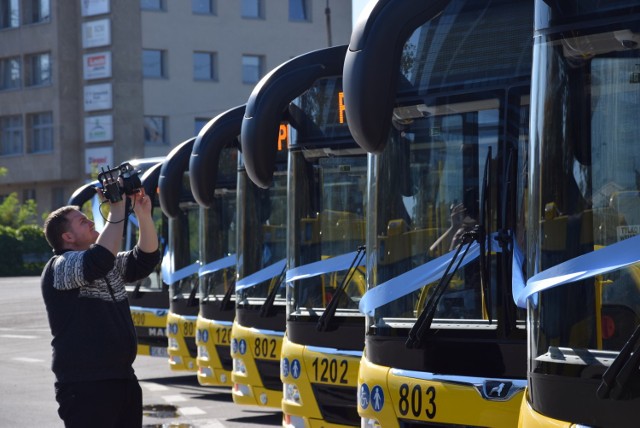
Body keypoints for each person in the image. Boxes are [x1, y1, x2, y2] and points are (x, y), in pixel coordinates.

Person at [40, 184, 160, 428]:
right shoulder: (60, 266)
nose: (91, 222)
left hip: (122, 378)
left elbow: (145, 259)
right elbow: (99, 260)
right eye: (82, 221)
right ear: (67, 237)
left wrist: (143, 215)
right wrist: (116, 210)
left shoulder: (106, 262)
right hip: (85, 384)